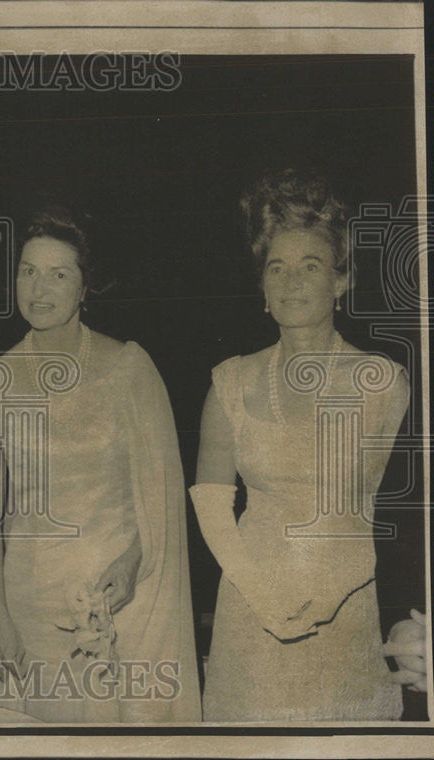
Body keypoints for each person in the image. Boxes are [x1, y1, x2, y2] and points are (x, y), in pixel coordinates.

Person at [0, 205, 201, 722]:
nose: (39, 288)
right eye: (28, 271)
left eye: (58, 273)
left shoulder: (129, 367)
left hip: (124, 604)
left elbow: (162, 502)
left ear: (85, 286)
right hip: (31, 613)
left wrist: (133, 562)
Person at [191, 168, 411, 721]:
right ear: (262, 288)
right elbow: (213, 505)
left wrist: (330, 591)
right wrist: (264, 597)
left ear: (340, 281)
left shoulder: (382, 382)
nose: (291, 282)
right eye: (277, 268)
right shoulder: (230, 382)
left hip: (343, 613)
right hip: (249, 612)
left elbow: (387, 514)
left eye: (310, 266)